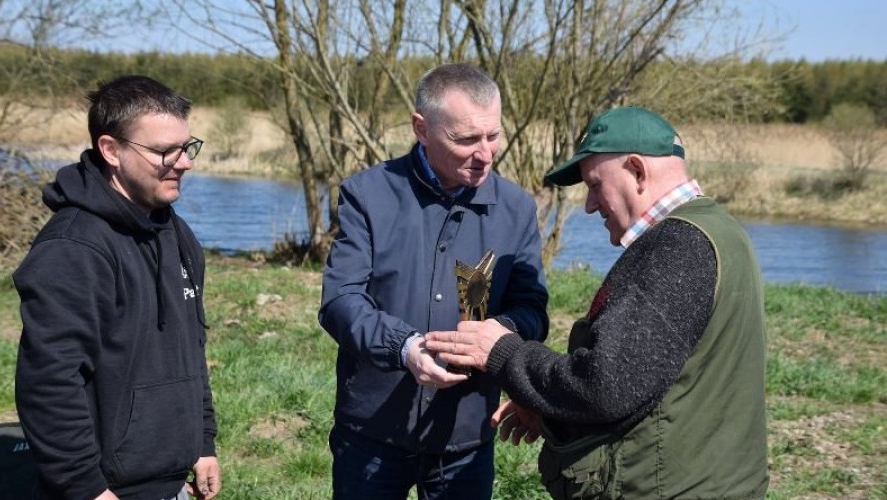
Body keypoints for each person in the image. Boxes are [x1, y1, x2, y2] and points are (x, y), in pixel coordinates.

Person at [425, 106, 769, 499]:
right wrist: (552, 410)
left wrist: (502, 353)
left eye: (594, 184)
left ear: (637, 170)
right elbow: (657, 382)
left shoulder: (676, 246)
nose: (589, 205)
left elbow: (606, 385)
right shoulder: (718, 230)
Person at [318, 63, 549, 499]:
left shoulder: (516, 208)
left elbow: (532, 309)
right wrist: (404, 347)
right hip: (372, 430)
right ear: (422, 129)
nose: (485, 154)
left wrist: (498, 334)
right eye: (466, 139)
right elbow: (340, 301)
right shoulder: (367, 195)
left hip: (465, 432)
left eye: (493, 135)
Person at [14, 75, 221, 500]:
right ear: (111, 150)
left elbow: (189, 349)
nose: (185, 163)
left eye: (187, 147)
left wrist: (202, 443)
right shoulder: (73, 248)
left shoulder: (177, 234)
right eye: (165, 151)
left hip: (171, 484)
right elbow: (48, 383)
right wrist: (86, 488)